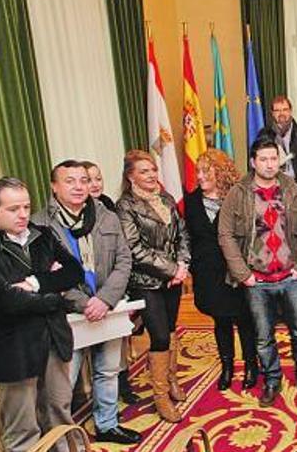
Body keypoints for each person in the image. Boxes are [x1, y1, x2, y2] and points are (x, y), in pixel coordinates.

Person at [32, 161, 140, 444]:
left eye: (83, 180)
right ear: (54, 186)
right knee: (62, 383)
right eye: (70, 181)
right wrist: (84, 303)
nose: (79, 186)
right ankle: (59, 438)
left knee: (107, 370)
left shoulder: (106, 216)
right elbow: (46, 276)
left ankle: (107, 424)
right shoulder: (40, 225)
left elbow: (124, 260)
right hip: (68, 315)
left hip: (108, 308)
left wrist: (104, 300)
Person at [218, 136, 297, 407]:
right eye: (263, 159)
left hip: (291, 276)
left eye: (274, 158)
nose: (270, 164)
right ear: (253, 162)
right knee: (263, 336)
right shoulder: (238, 193)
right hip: (257, 280)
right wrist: (243, 274)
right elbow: (225, 234)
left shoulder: (293, 189)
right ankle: (272, 380)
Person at [0, 177, 81, 452]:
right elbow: (6, 301)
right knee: (23, 428)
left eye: (27, 207)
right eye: (13, 209)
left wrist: (35, 284)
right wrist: (56, 299)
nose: (23, 215)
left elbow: (73, 273)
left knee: (59, 414)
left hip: (53, 337)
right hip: (13, 347)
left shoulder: (43, 234)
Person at [116, 150, 191, 423]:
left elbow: (182, 233)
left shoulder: (166, 199)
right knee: (158, 336)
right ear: (130, 176)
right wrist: (171, 269)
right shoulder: (124, 206)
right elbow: (134, 248)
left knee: (170, 330)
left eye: (153, 170)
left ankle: (170, 380)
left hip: (173, 280)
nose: (151, 175)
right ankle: (160, 397)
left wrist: (182, 265)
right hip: (145, 282)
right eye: (144, 171)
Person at [184, 150, 258, 392]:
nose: (201, 176)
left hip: (234, 270)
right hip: (207, 272)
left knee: (244, 320)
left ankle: (250, 365)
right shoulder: (192, 200)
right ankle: (227, 366)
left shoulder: (237, 196)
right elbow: (187, 237)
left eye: (207, 170)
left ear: (221, 171)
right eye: (198, 171)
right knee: (220, 321)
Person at [82, 161, 139, 405]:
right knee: (95, 345)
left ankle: (123, 384)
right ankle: (94, 394)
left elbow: (121, 250)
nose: (94, 184)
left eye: (98, 178)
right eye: (88, 179)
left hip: (114, 285)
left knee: (118, 340)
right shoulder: (74, 213)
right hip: (88, 292)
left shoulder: (108, 206)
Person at [257, 95, 297, 183]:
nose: (281, 113)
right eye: (277, 110)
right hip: (273, 185)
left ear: (290, 111)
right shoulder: (264, 135)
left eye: (285, 110)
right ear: (272, 113)